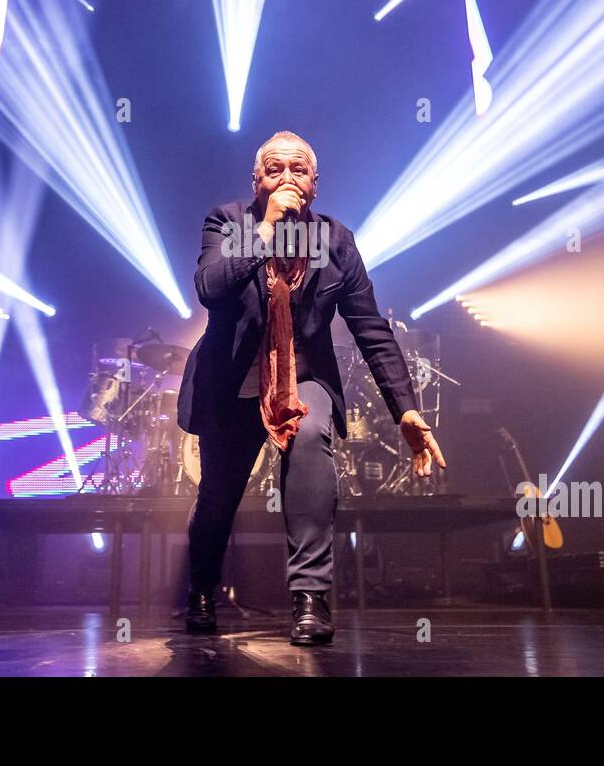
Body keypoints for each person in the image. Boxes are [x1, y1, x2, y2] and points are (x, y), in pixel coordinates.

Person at [177, 131, 445, 645]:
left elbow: (371, 328)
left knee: (309, 439)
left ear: (315, 185)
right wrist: (266, 233)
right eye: (274, 169)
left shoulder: (336, 241)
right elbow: (211, 289)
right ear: (256, 181)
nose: (286, 179)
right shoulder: (228, 223)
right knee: (217, 497)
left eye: (297, 170)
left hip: (303, 377)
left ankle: (310, 598)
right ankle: (202, 589)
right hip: (232, 379)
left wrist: (404, 410)